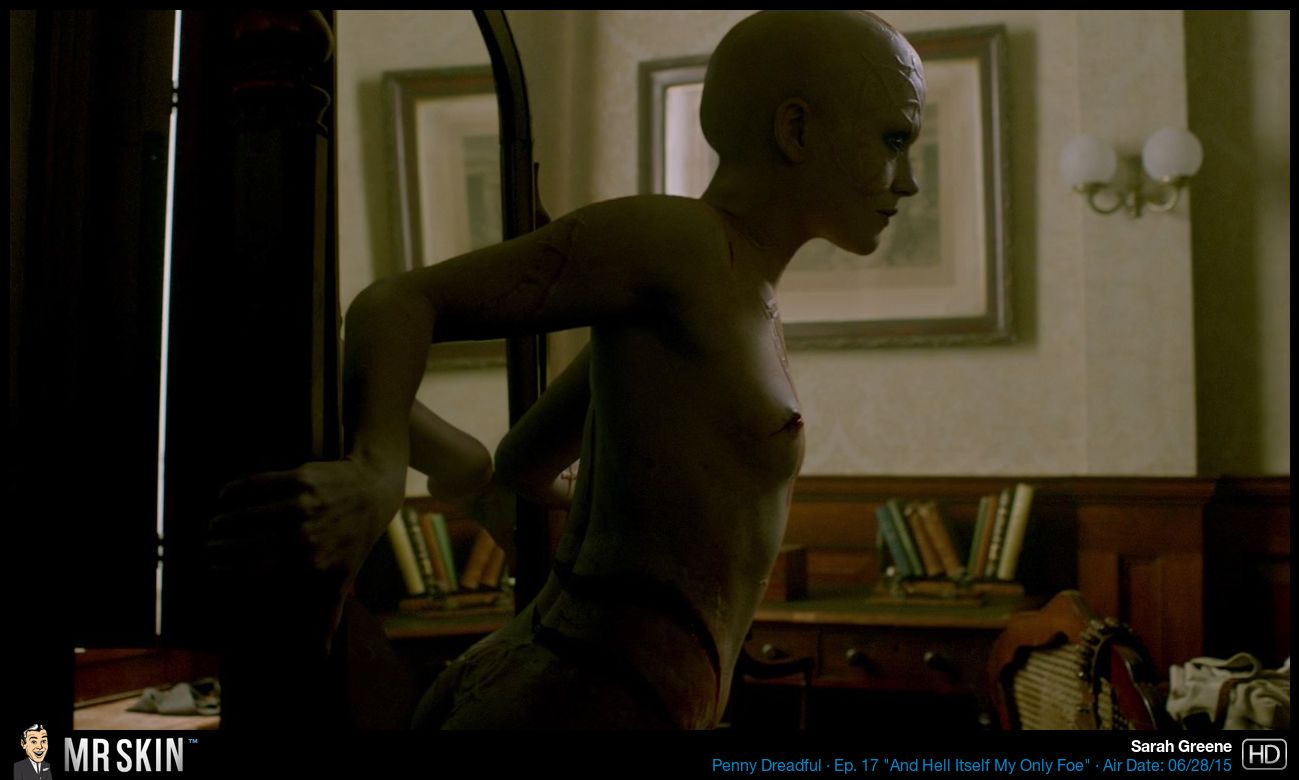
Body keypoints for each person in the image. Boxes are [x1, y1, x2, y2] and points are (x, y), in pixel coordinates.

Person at [214, 9, 924, 729]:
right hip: (579, 698)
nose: (910, 182)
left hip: (608, 686)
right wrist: (378, 471)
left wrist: (496, 482)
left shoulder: (735, 287)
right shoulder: (683, 244)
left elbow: (523, 464)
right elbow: (400, 300)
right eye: (894, 140)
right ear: (795, 129)